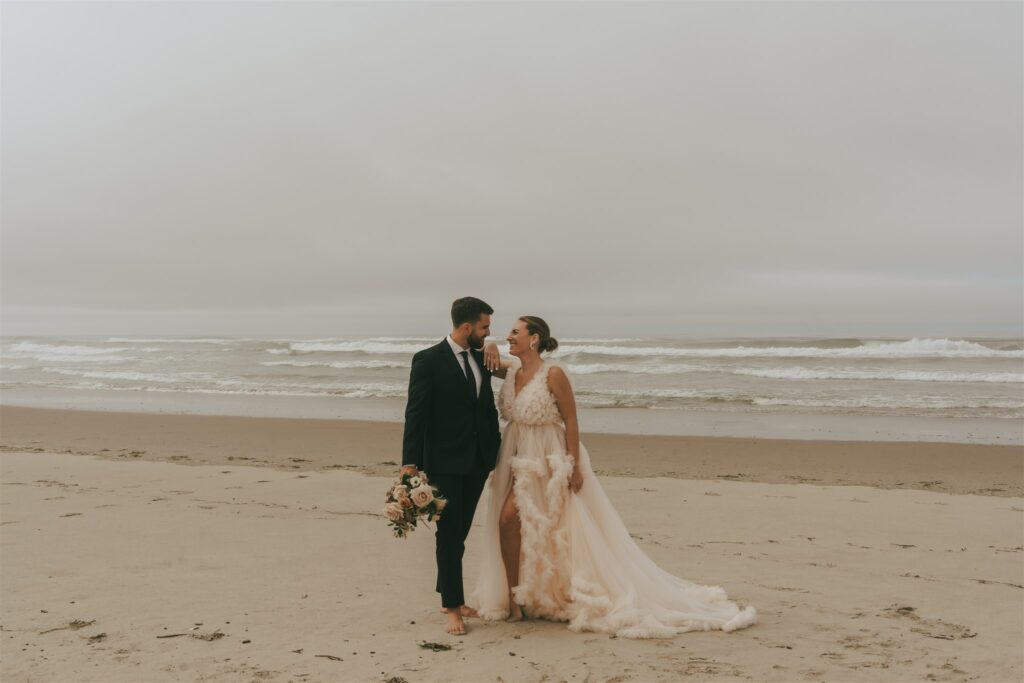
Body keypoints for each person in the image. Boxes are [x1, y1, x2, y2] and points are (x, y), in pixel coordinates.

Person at [471, 316, 757, 638]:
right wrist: (490, 343)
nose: (509, 336)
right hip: (517, 453)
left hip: (549, 456)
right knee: (509, 521)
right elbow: (478, 352)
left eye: (515, 332)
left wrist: (573, 464)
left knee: (555, 525)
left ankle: (558, 593)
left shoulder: (553, 373)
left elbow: (571, 416)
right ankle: (515, 599)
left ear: (534, 339)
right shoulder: (511, 371)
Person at [401, 297, 502, 635]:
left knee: (458, 534)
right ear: (466, 326)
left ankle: (452, 597)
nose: (489, 332)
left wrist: (496, 453)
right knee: (448, 534)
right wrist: (409, 464)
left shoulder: (480, 357)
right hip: (444, 461)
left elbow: (485, 408)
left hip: (477, 461)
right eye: (485, 327)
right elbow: (416, 413)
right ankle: (451, 608)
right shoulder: (428, 360)